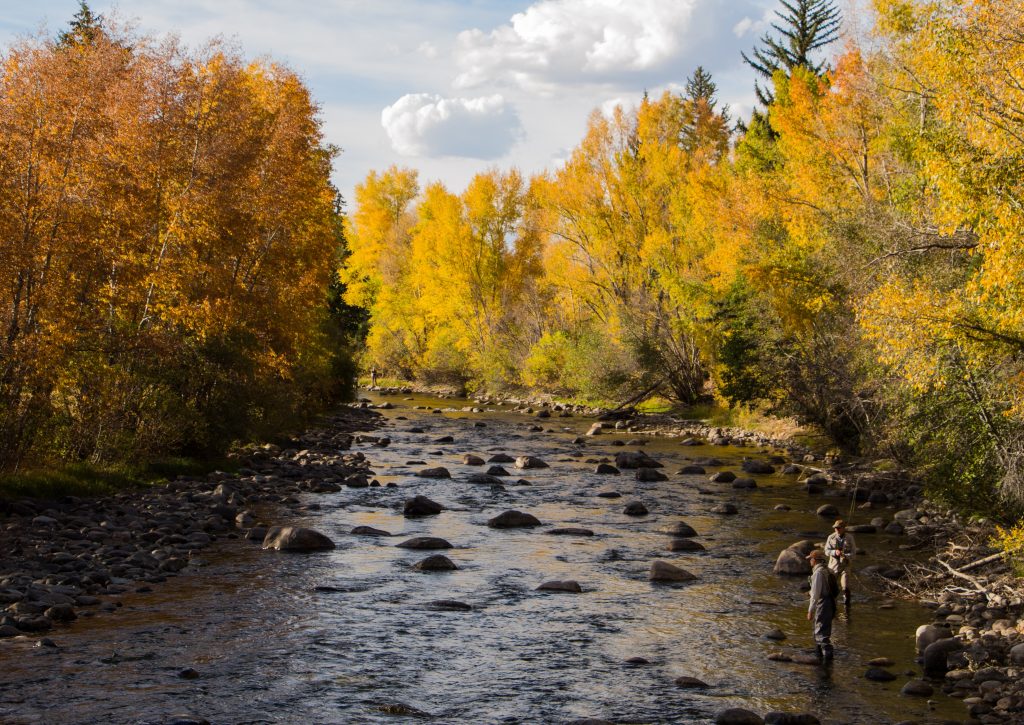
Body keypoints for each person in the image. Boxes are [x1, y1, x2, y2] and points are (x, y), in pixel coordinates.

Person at [807, 549, 838, 662]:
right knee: (823, 630)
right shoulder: (829, 570)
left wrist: (810, 610)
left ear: (815, 560)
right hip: (831, 602)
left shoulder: (818, 573)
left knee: (821, 632)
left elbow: (815, 595)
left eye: (810, 559)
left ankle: (827, 664)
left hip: (823, 603)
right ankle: (819, 658)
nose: (809, 561)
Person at [824, 519, 856, 605]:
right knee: (831, 587)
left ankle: (847, 606)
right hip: (833, 566)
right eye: (835, 528)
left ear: (843, 528)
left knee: (845, 587)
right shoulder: (830, 537)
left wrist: (846, 556)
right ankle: (832, 604)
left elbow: (853, 553)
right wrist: (835, 552)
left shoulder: (850, 538)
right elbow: (826, 551)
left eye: (838, 528)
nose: (836, 529)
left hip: (846, 565)